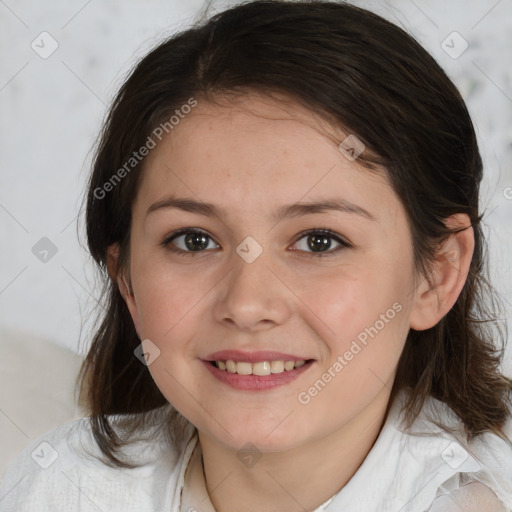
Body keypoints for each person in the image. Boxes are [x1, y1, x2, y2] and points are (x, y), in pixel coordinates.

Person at [1, 1, 511, 511]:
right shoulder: (61, 488)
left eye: (319, 241)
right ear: (127, 280)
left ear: (435, 276)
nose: (247, 304)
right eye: (193, 240)